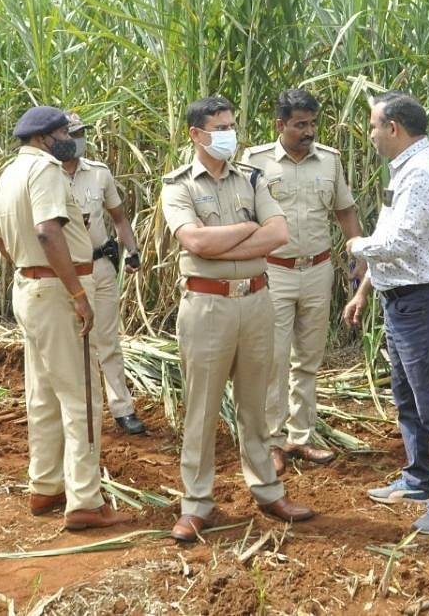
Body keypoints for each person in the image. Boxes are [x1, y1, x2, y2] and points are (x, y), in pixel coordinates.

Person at [160, 95, 316, 543]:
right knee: (202, 409)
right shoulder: (178, 185)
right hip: (207, 307)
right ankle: (196, 504)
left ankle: (267, 490)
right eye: (220, 126)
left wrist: (229, 240)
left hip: (256, 303)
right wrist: (250, 231)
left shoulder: (251, 177)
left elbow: (280, 234)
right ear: (196, 135)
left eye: (232, 124)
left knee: (255, 405)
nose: (230, 132)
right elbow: (194, 242)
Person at [0, 105, 129, 531]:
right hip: (58, 291)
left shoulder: (9, 173)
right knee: (81, 396)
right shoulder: (47, 170)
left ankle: (46, 484)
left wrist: (32, 270)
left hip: (29, 289)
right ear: (47, 137)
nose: (71, 136)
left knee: (43, 394)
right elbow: (48, 232)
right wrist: (74, 292)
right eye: (65, 130)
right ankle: (85, 499)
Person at [342, 91, 429, 537]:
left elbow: (399, 244)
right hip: (400, 300)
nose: (371, 134)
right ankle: (417, 479)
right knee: (407, 397)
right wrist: (365, 291)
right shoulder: (407, 169)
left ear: (393, 128)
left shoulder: (422, 173)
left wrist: (358, 247)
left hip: (420, 302)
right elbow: (392, 237)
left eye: (374, 126)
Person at [241, 89, 365, 476]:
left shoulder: (329, 162)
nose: (309, 131)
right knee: (273, 358)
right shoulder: (255, 162)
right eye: (300, 124)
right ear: (280, 125)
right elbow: (243, 216)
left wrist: (357, 259)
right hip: (273, 271)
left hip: (318, 270)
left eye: (312, 123)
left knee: (308, 358)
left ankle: (301, 436)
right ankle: (272, 440)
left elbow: (345, 211)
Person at [62, 113, 147, 436]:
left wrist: (133, 252)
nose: (78, 139)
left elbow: (119, 217)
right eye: (72, 133)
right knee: (70, 344)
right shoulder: (46, 175)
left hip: (100, 267)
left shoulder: (99, 174)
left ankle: (122, 408)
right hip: (64, 273)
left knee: (108, 340)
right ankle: (77, 411)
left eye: (81, 132)